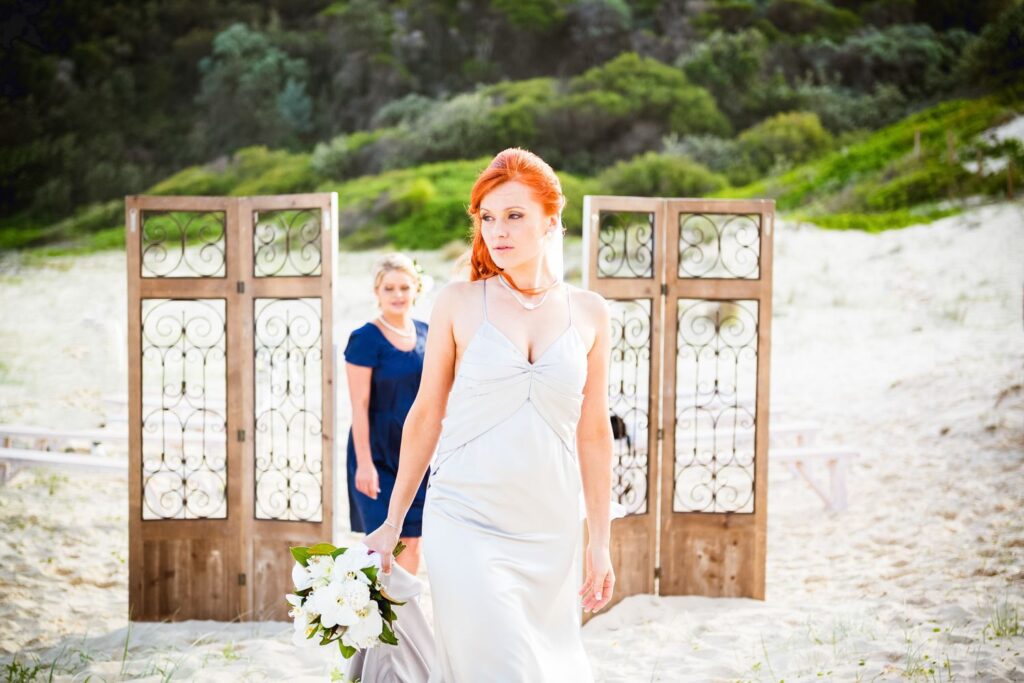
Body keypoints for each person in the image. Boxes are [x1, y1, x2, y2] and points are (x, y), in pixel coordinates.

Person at [362, 147, 620, 681]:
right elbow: (426, 413)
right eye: (487, 217)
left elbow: (595, 434)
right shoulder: (459, 302)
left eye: (514, 215)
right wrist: (393, 520)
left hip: (550, 524)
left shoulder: (590, 311)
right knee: (502, 662)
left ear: (552, 219)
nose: (497, 231)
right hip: (466, 516)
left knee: (547, 665)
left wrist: (599, 541)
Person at [344, 253, 430, 576]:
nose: (398, 295)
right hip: (376, 453)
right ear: (377, 292)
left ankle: (405, 617)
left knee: (412, 538)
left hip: (416, 452)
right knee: (382, 545)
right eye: (389, 288)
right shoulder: (365, 338)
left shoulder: (426, 333)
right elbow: (359, 405)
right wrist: (364, 464)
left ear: (416, 290)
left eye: (405, 287)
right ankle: (380, 623)